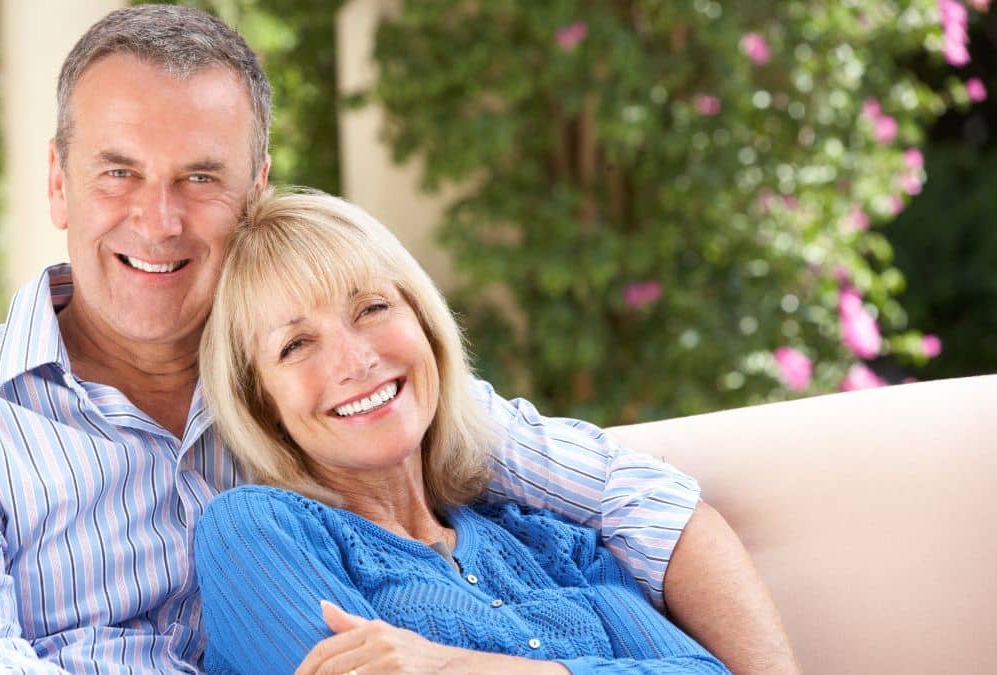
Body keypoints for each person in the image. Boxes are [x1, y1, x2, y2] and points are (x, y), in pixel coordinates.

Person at [0, 4, 796, 673]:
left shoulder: (335, 394)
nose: (157, 220)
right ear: (57, 181)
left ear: (253, 190)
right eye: (118, 172)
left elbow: (646, 506)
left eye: (200, 178)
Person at [194, 187, 732, 674]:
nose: (355, 361)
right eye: (296, 345)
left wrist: (461, 668)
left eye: (372, 308)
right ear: (263, 404)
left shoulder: (552, 542)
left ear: (424, 324)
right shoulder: (256, 531)